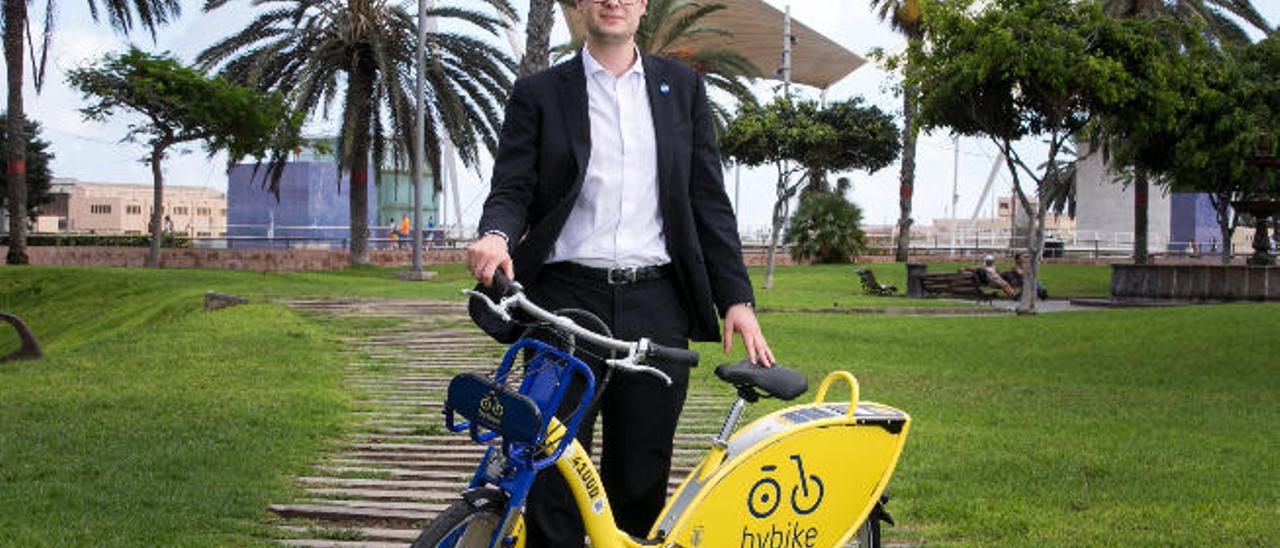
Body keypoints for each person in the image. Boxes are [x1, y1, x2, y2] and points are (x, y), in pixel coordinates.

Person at [465, 0, 773, 544]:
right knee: (554, 469)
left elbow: (708, 202)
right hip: (563, 303)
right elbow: (512, 188)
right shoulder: (540, 93)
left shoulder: (682, 89)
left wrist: (737, 299)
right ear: (580, 4)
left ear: (644, 5)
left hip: (655, 304)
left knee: (639, 474)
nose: (614, 2)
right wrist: (496, 234)